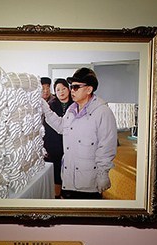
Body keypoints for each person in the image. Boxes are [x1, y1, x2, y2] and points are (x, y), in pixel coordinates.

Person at [40, 67, 117, 199]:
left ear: (89, 89)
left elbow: (106, 147)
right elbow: (61, 126)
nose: (72, 90)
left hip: (88, 180)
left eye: (76, 87)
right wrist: (46, 109)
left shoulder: (102, 112)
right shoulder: (72, 109)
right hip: (69, 175)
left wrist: (103, 174)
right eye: (71, 87)